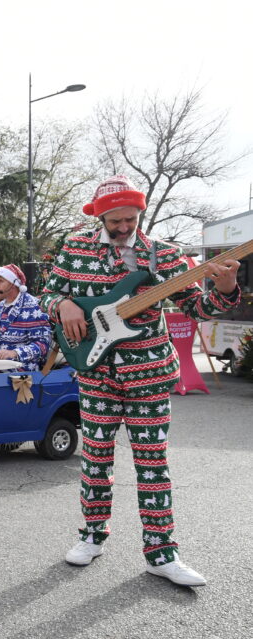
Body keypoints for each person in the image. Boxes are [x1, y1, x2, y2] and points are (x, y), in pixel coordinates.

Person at [40, 175, 242, 586]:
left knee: (153, 463)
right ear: (99, 217)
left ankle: (162, 553)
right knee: (95, 458)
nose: (123, 228)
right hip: (95, 372)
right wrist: (62, 305)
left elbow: (201, 307)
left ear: (139, 214)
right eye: (114, 220)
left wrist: (225, 286)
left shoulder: (164, 256)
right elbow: (44, 295)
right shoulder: (75, 248)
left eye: (130, 219)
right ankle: (92, 536)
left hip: (148, 374)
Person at [0, 264, 51, 371]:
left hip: (21, 371)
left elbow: (43, 344)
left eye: (0, 281)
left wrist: (14, 353)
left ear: (14, 283)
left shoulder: (34, 306)